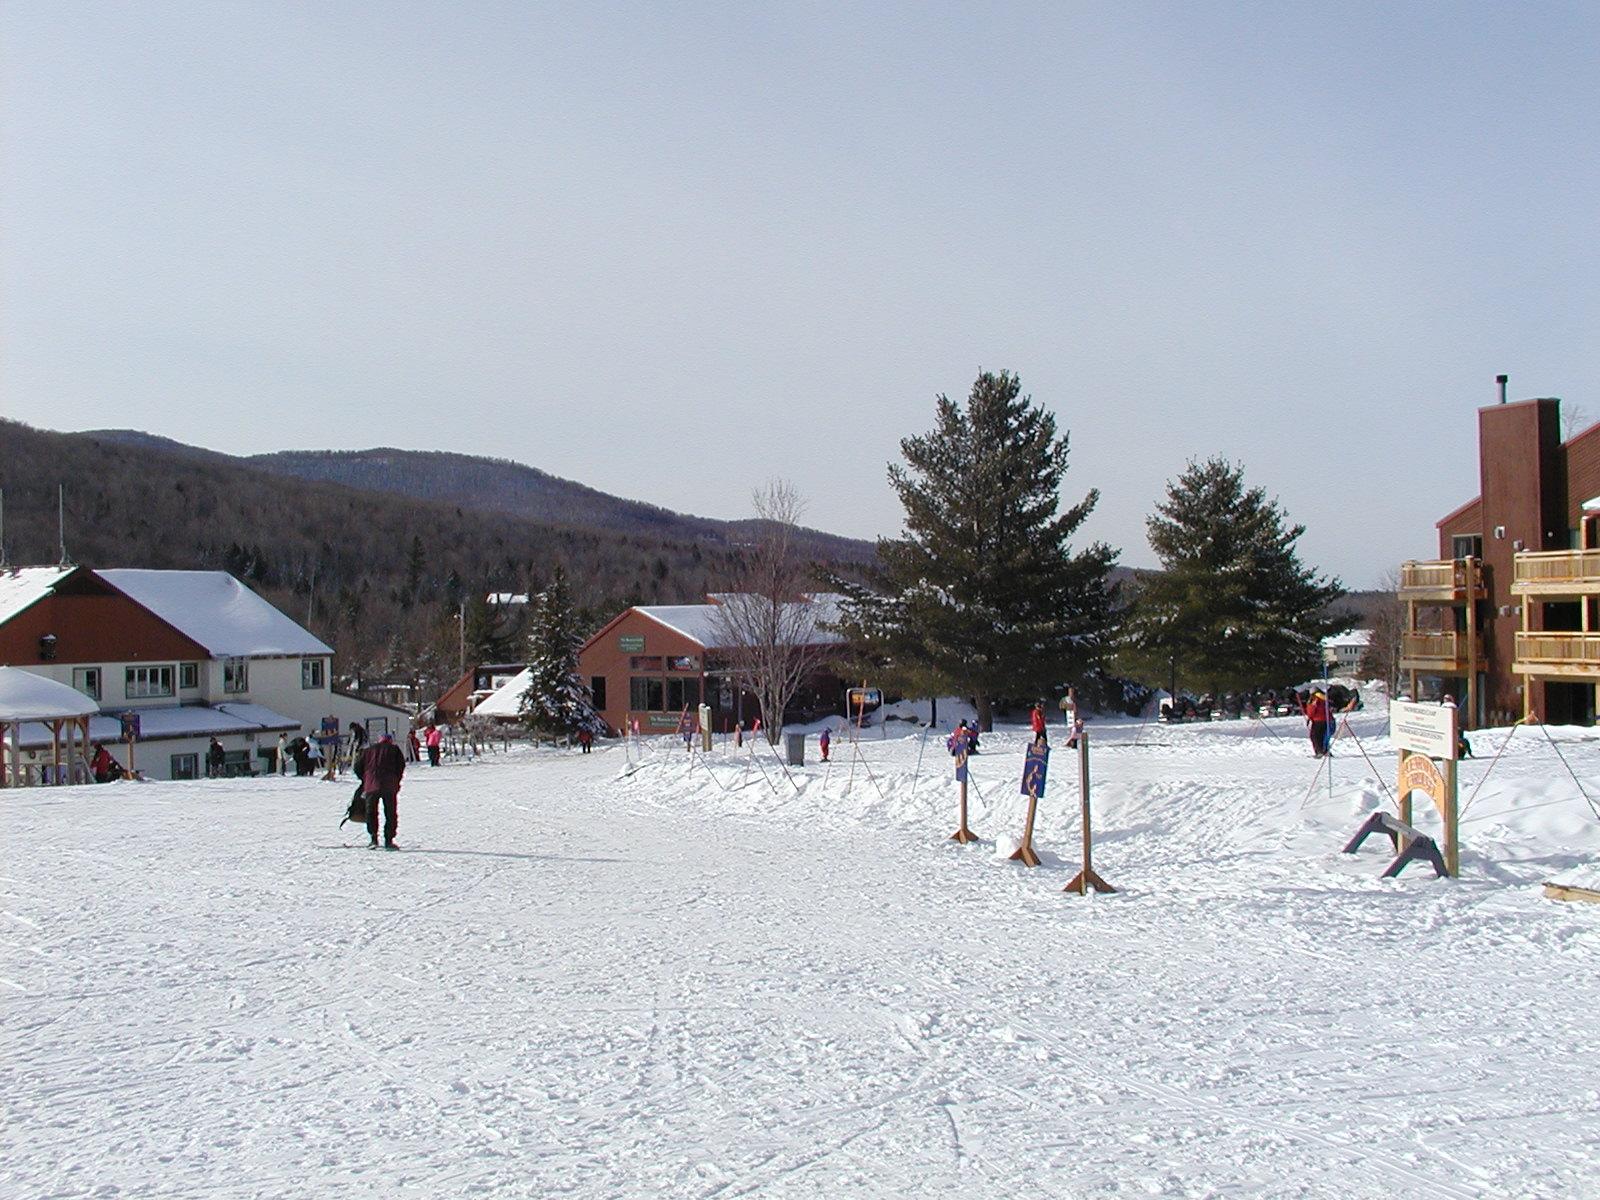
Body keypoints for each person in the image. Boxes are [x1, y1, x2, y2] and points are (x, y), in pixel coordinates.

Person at [358, 733, 406, 849]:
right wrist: (397, 779)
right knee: (390, 813)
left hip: (371, 785)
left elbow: (357, 766)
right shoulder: (394, 750)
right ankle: (389, 840)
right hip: (389, 785)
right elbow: (401, 766)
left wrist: (365, 779)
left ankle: (373, 838)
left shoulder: (368, 751)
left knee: (371, 812)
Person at [1303, 689, 1330, 757]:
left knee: (1315, 737)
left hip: (1317, 720)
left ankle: (1319, 752)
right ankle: (1324, 750)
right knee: (1322, 736)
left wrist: (1309, 717)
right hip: (1325, 719)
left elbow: (1312, 709)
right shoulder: (1323, 698)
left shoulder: (1314, 698)